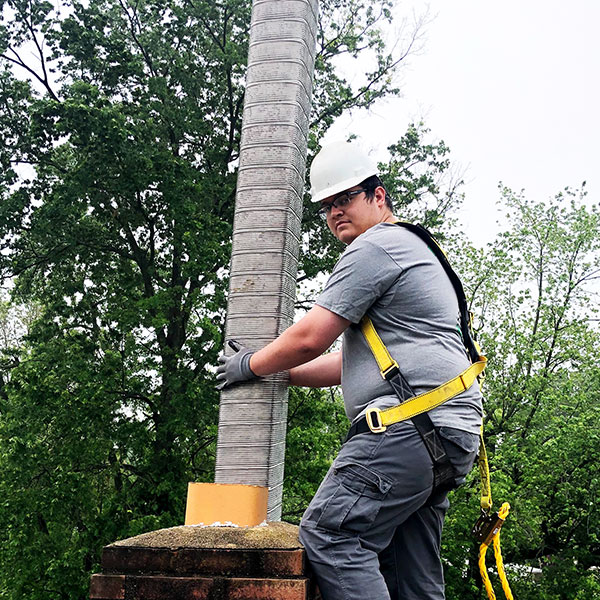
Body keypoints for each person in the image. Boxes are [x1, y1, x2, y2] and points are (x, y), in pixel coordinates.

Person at [216, 139, 483, 600]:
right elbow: (347, 363)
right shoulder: (417, 248)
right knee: (408, 573)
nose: (335, 212)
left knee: (332, 535)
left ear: (378, 196)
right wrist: (280, 373)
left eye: (345, 198)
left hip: (407, 429)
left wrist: (247, 364)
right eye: (326, 205)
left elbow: (310, 337)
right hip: (446, 435)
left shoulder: (376, 247)